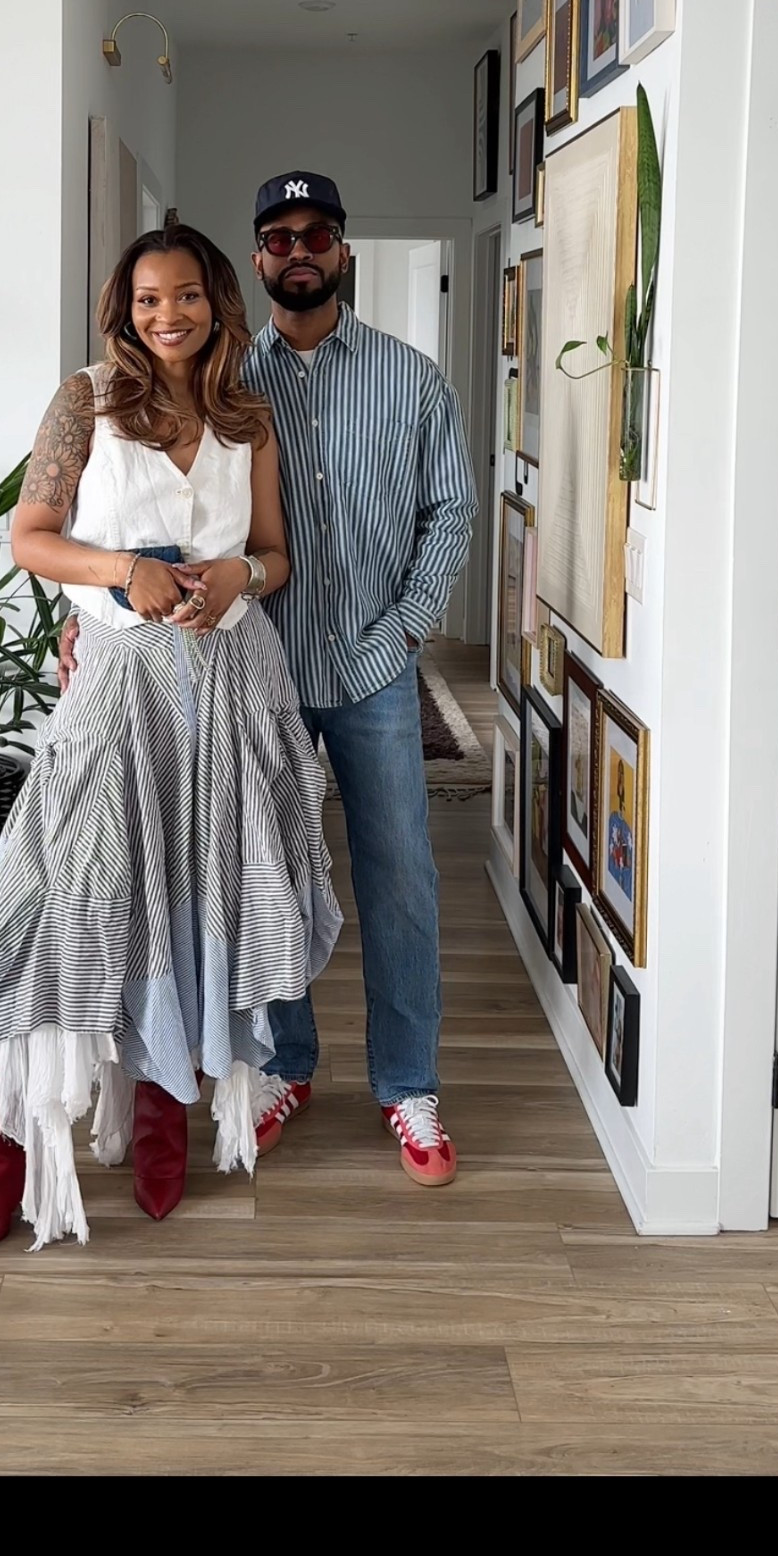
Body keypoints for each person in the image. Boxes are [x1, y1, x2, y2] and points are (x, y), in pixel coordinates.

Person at [59, 172, 476, 1187]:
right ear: (256, 258)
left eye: (317, 234)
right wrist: (84, 615)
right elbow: (115, 513)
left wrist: (407, 630)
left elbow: (452, 513)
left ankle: (408, 1085)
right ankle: (286, 1064)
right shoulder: (220, 377)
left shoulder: (412, 378)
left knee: (400, 877)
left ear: (343, 251)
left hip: (372, 666)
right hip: (248, 668)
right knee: (268, 870)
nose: (299, 250)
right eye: (279, 236)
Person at [0, 222, 340, 1254]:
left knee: (201, 894)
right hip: (120, 681)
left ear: (217, 301)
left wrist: (240, 574)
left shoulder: (246, 414)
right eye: (147, 300)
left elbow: (275, 554)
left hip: (228, 685)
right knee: (51, 905)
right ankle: (1, 1152)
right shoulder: (86, 400)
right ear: (125, 312)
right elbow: (31, 538)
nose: (168, 314)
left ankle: (167, 1124)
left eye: (186, 295)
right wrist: (126, 571)